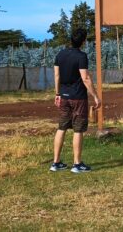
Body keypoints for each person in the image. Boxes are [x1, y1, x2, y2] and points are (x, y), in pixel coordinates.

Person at [50, 28, 101, 173]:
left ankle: (56, 163)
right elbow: (85, 78)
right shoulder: (82, 56)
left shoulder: (60, 54)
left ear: (71, 39)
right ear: (83, 41)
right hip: (78, 98)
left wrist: (57, 93)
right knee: (78, 130)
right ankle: (77, 164)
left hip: (63, 97)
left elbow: (57, 75)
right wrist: (95, 96)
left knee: (62, 128)